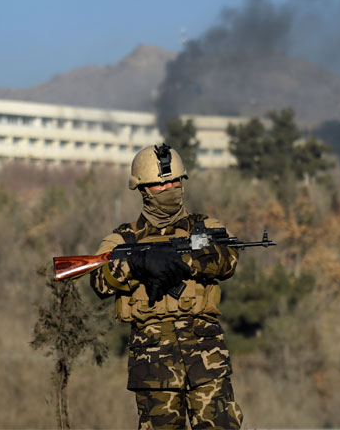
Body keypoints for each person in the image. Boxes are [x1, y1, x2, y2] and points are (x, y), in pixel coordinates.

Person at [90, 143, 243, 429]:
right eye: (161, 184)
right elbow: (99, 280)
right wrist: (138, 264)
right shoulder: (124, 238)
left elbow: (229, 259)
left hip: (207, 359)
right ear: (143, 190)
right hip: (153, 364)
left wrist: (184, 259)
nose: (170, 188)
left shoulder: (204, 226)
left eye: (174, 181)